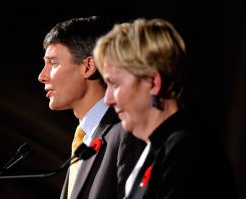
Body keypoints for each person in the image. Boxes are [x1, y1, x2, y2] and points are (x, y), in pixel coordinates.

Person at [93, 18, 237, 199]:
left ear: (153, 82)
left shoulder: (188, 150)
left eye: (114, 84)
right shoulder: (160, 148)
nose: (107, 99)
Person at [37, 16, 145, 199]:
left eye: (53, 63)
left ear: (88, 66)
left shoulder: (125, 133)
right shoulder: (85, 137)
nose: (42, 76)